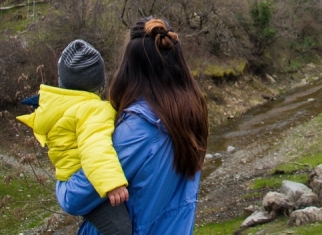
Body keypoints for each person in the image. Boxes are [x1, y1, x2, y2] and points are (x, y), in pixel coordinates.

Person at [56, 18, 209, 235]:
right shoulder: (192, 114)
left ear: (130, 67)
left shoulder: (141, 128)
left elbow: (75, 198)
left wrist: (62, 176)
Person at [18, 39, 132, 235]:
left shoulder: (57, 107)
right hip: (88, 183)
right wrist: (112, 184)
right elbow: (94, 147)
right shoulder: (92, 110)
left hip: (68, 178)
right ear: (100, 84)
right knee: (121, 231)